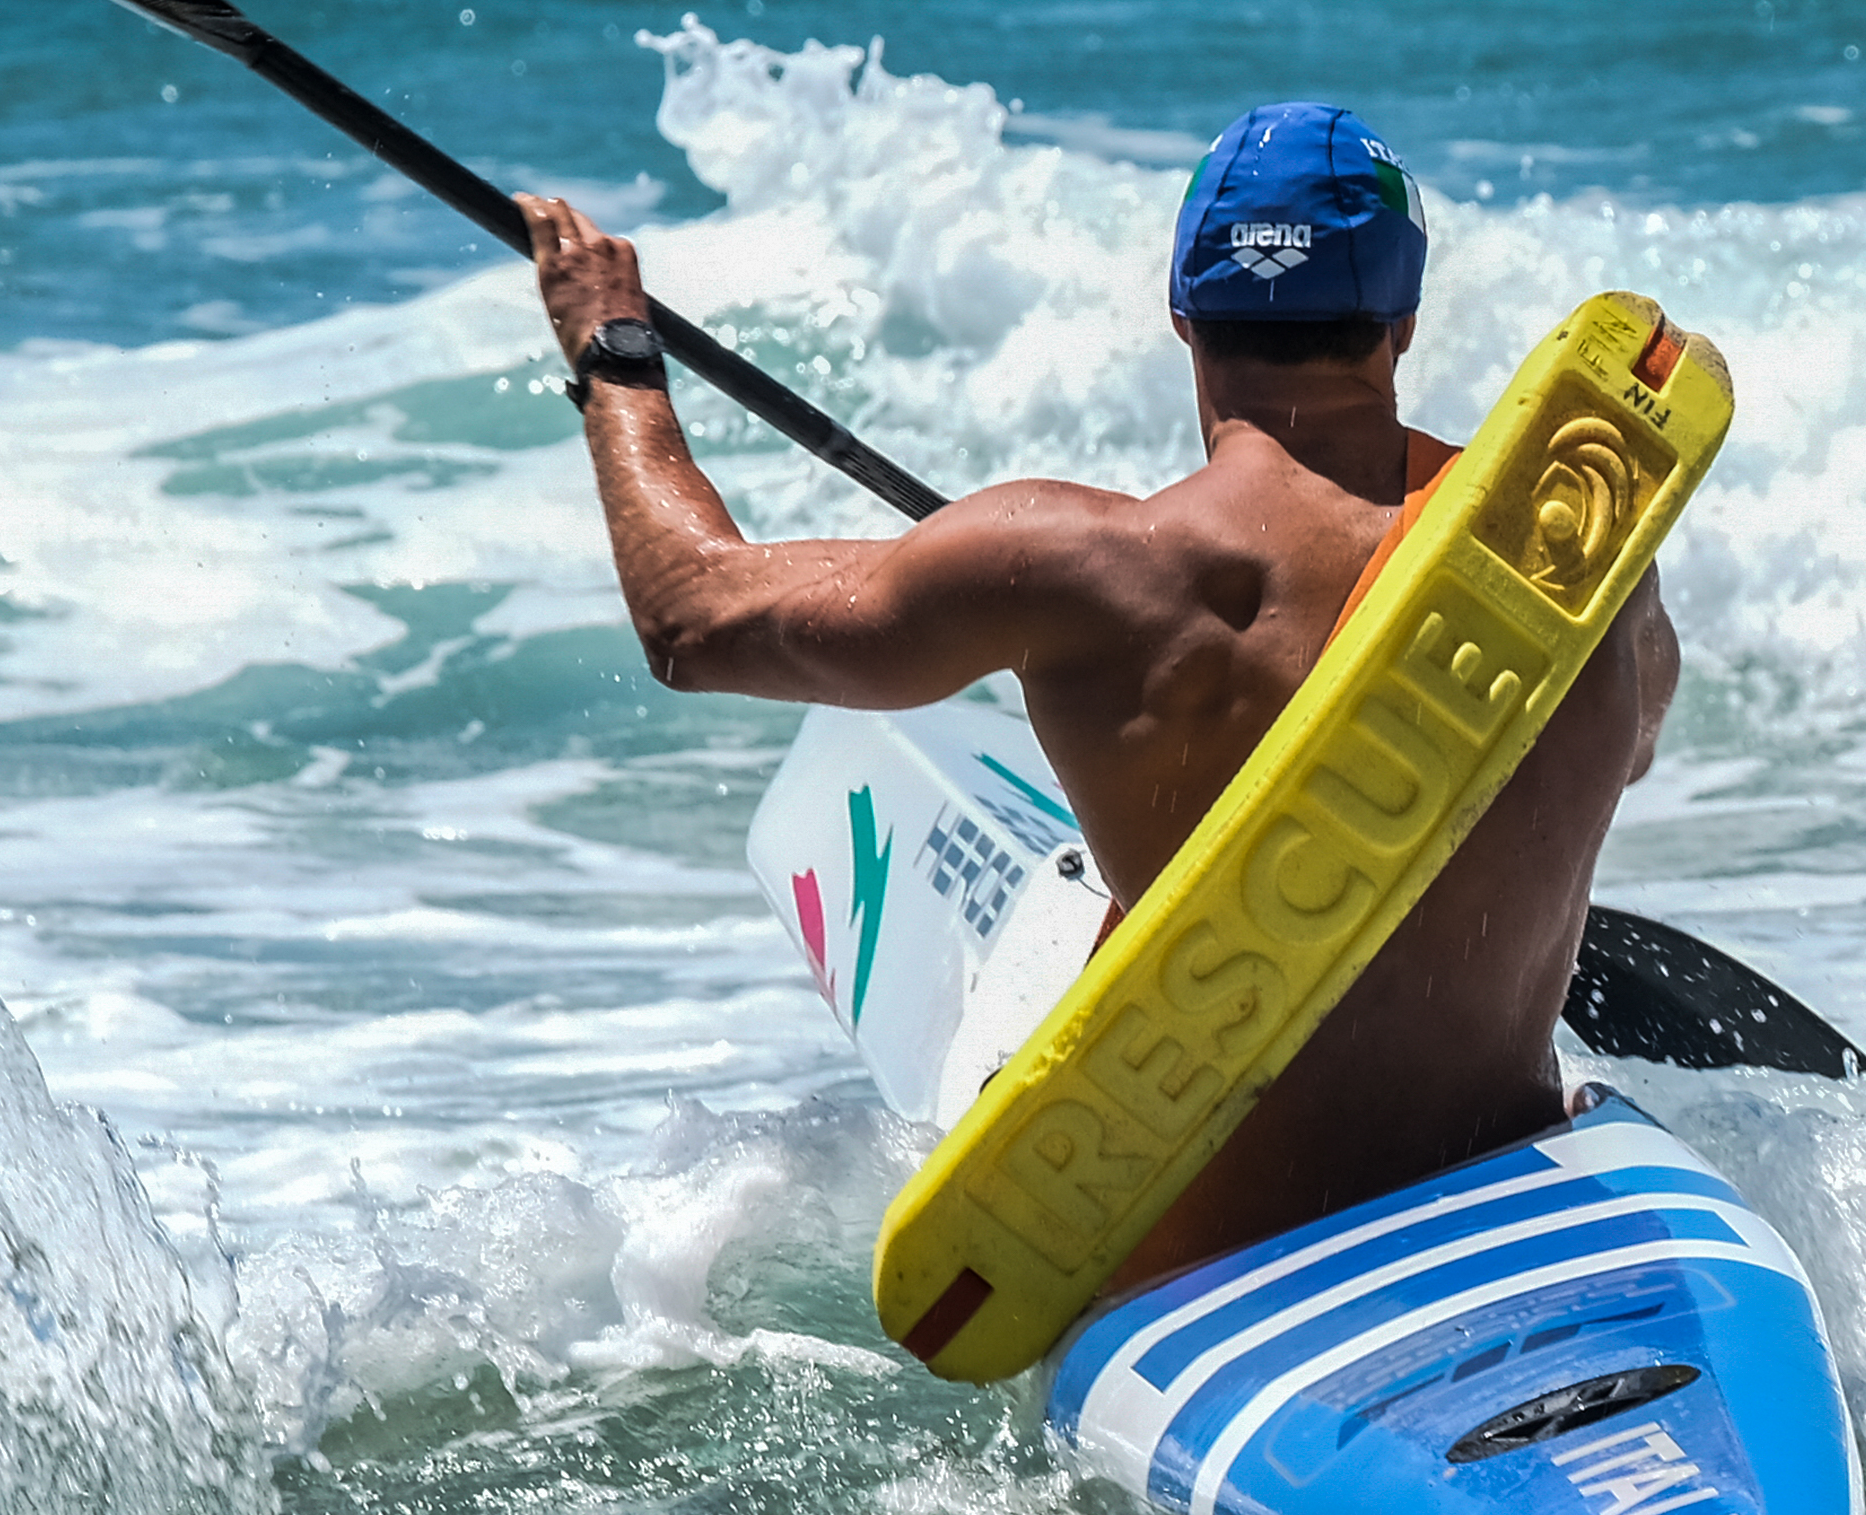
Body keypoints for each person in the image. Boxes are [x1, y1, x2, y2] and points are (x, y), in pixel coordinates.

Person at [519, 99, 1674, 1304]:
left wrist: (614, 352)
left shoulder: (1079, 569)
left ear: (1183, 311)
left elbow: (691, 615)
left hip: (1217, 1262)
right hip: (1509, 1184)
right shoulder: (1581, 560)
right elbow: (1632, 744)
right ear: (1402, 321)